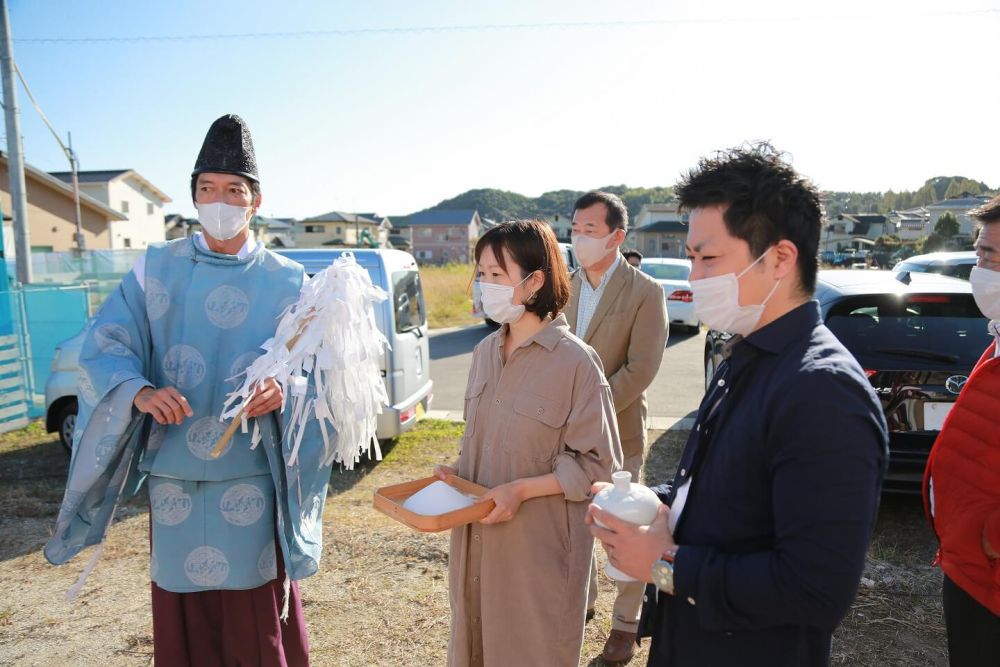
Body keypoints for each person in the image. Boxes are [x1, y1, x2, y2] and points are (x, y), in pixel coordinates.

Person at [46, 115, 331, 666]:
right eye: (207, 189)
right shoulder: (155, 270)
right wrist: (139, 390)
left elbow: (318, 376)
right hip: (174, 472)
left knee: (254, 612)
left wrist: (284, 390)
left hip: (250, 468)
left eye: (233, 190)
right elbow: (105, 342)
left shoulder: (291, 280)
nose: (219, 201)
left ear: (256, 200)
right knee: (182, 613)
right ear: (194, 196)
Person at [587, 144, 888, 666]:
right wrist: (651, 503)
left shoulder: (822, 392)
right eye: (690, 258)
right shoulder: (747, 354)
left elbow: (815, 588)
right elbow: (729, 494)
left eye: (708, 258)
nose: (694, 277)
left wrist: (663, 563)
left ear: (779, 258)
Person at [435, 220, 623, 666]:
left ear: (534, 280)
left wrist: (522, 490)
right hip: (477, 543)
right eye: (480, 274)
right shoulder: (483, 354)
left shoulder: (577, 362)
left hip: (538, 552)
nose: (485, 286)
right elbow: (482, 445)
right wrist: (455, 476)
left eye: (497, 275)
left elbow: (598, 466)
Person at [563, 191, 667, 663]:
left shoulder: (645, 291)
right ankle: (578, 606)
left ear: (616, 236)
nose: (579, 238)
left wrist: (592, 409)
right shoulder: (563, 287)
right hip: (564, 435)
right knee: (574, 523)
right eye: (575, 229)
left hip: (618, 429)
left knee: (625, 523)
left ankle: (625, 626)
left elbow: (642, 367)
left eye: (590, 230)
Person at [923, 195, 1000, 666]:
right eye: (980, 253)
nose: (980, 267)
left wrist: (988, 537)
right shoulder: (996, 339)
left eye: (992, 256)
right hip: (971, 568)